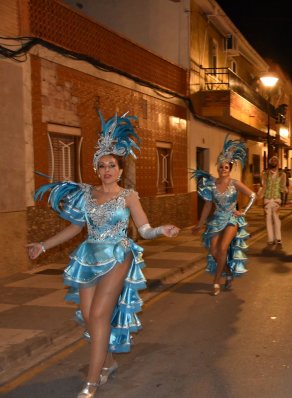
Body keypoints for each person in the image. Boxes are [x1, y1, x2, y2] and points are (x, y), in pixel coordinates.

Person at [27, 112, 180, 398]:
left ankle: (92, 379)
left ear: (120, 170)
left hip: (118, 254)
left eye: (112, 165)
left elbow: (144, 230)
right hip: (89, 255)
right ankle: (107, 362)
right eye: (102, 165)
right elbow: (75, 228)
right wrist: (43, 245)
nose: (107, 169)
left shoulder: (128, 196)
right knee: (88, 317)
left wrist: (161, 230)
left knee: (99, 314)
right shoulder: (87, 195)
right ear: (96, 169)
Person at [191, 136, 256, 296]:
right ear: (218, 168)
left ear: (230, 168)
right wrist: (200, 224)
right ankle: (228, 273)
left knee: (222, 248)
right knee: (214, 250)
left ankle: (216, 281)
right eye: (221, 167)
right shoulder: (211, 185)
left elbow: (253, 195)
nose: (223, 169)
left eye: (226, 167)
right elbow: (207, 205)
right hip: (216, 220)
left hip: (231, 219)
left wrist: (243, 211)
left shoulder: (235, 183)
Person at [258, 156, 286, 245]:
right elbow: (263, 186)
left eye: (275, 160)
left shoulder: (282, 174)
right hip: (267, 199)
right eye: (272, 160)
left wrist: (285, 193)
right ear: (270, 162)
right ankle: (270, 238)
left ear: (278, 162)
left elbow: (283, 186)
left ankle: (278, 238)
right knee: (268, 219)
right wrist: (259, 196)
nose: (274, 161)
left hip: (276, 199)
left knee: (277, 219)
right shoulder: (265, 174)